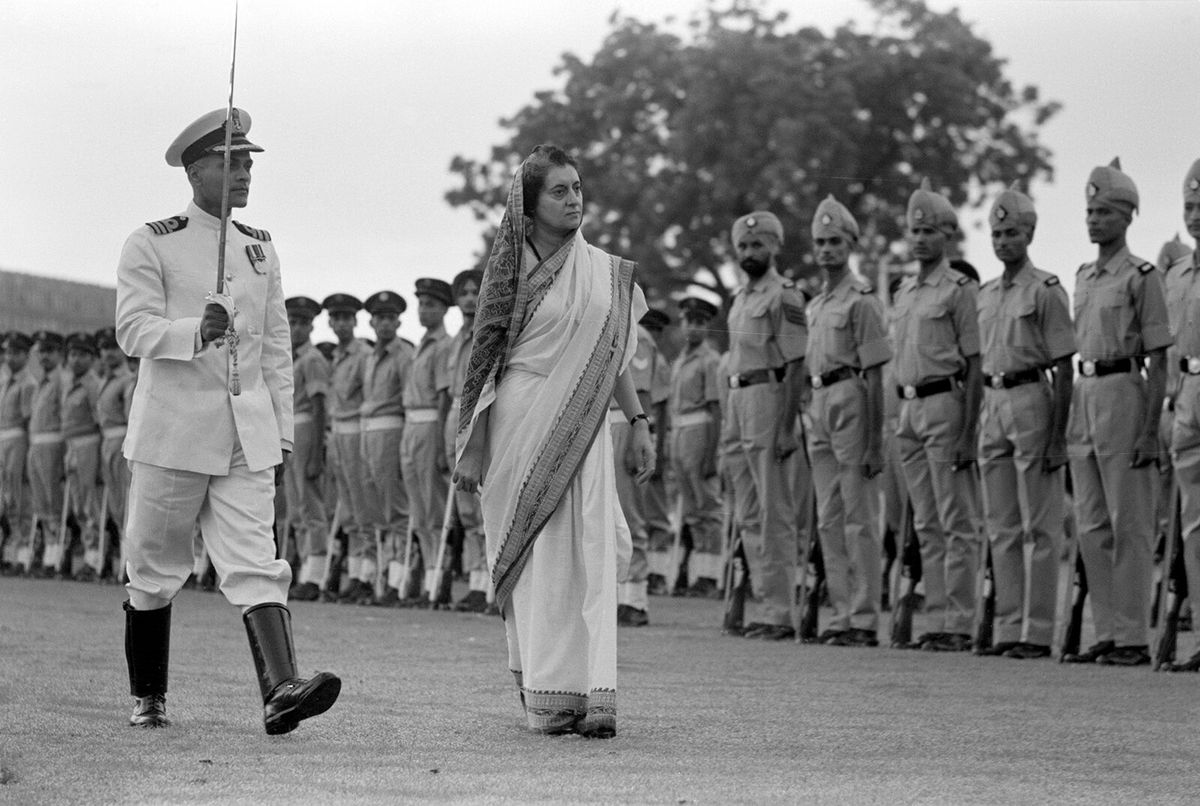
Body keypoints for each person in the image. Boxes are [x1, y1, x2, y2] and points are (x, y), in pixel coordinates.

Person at [115, 107, 339, 732]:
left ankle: (281, 690)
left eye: (247, 162)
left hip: (246, 429)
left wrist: (284, 429)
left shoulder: (259, 247)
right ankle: (149, 695)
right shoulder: (151, 241)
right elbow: (132, 329)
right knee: (154, 567)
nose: (244, 172)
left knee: (254, 559)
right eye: (231, 162)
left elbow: (275, 347)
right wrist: (194, 330)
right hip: (174, 430)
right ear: (195, 170)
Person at [453, 144, 653, 737]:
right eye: (559, 191)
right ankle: (546, 693)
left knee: (588, 552)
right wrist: (475, 446)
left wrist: (640, 424)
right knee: (533, 554)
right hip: (518, 419)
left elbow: (613, 357)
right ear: (530, 204)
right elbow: (483, 363)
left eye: (578, 188)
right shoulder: (507, 273)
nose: (574, 201)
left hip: (584, 424)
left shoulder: (605, 273)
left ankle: (593, 695)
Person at [1062, 158, 1172, 667]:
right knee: (1091, 524)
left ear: (1127, 217)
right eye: (1089, 211)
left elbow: (1158, 356)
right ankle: (1106, 630)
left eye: (1104, 212)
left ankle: (1132, 635)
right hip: (1086, 396)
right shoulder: (1083, 276)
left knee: (1129, 523)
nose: (1093, 221)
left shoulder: (1141, 276)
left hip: (1125, 392)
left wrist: (1151, 430)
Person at [974, 185, 1075, 660]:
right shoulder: (986, 294)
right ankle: (1007, 626)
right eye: (997, 233)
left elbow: (1064, 367)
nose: (1003, 241)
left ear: (1030, 233)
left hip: (1033, 397)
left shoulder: (1047, 289)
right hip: (992, 402)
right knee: (1002, 525)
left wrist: (1058, 437)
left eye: (1012, 232)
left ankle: (1035, 633)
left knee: (1040, 526)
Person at [890, 180, 982, 653]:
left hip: (946, 403)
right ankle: (938, 617)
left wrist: (969, 432)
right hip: (908, 409)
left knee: (955, 519)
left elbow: (976, 362)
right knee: (926, 521)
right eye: (914, 230)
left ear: (946, 235)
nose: (920, 238)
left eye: (930, 231)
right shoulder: (903, 292)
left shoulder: (960, 289)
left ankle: (960, 620)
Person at [803, 195, 892, 647]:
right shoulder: (816, 304)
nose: (826, 250)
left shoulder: (864, 301)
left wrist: (877, 442)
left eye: (835, 242)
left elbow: (877, 376)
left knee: (859, 515)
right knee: (828, 517)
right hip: (818, 401)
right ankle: (839, 614)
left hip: (852, 397)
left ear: (851, 245)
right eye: (820, 242)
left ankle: (864, 616)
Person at [722, 211, 807, 641]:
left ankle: (779, 611)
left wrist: (788, 427)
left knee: (775, 513)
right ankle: (764, 603)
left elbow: (796, 365)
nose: (749, 253)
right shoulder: (739, 299)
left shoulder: (785, 296)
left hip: (769, 401)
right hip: (738, 404)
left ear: (775, 247)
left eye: (758, 245)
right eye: (743, 246)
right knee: (749, 513)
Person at [1159, 161, 1200, 672]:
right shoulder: (1177, 276)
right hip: (1188, 394)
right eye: (1189, 207)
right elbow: (1169, 347)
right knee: (1193, 526)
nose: (1195, 215)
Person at [613, 309, 671, 626]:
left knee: (629, 512)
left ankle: (635, 598)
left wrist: (638, 434)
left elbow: (643, 392)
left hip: (623, 423)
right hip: (599, 426)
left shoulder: (638, 334)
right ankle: (618, 594)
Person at [360, 290, 415, 605]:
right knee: (375, 506)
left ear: (398, 321)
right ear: (372, 321)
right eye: (379, 318)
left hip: (392, 429)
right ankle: (382, 577)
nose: (384, 323)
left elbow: (408, 399)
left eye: (390, 318)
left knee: (396, 507)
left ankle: (399, 580)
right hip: (369, 432)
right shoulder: (370, 355)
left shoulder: (403, 354)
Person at [402, 277, 454, 606]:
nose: (424, 310)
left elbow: (443, 399)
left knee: (434, 508)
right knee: (418, 511)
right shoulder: (421, 343)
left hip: (430, 424)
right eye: (421, 304)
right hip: (410, 425)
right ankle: (424, 579)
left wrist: (438, 445)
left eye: (431, 304)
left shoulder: (444, 345)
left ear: (444, 309)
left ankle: (439, 577)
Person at [321, 292, 376, 604]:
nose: (341, 323)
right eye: (336, 318)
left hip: (356, 430)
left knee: (362, 505)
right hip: (337, 433)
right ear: (329, 322)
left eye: (346, 318)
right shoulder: (336, 357)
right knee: (347, 508)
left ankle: (365, 575)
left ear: (355, 321)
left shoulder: (363, 354)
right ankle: (353, 573)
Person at [668, 297, 723, 597]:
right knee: (690, 509)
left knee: (707, 508)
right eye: (689, 321)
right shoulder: (680, 360)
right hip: (679, 432)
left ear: (707, 326)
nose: (693, 327)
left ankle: (710, 576)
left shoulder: (710, 360)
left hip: (700, 430)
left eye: (700, 322)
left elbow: (716, 409)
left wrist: (712, 452)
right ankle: (696, 573)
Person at [444, 269, 491, 612]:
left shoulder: (488, 333)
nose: (469, 298)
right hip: (454, 416)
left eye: (476, 292)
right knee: (465, 510)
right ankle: (475, 581)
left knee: (483, 505)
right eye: (463, 293)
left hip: (478, 416)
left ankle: (488, 581)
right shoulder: (455, 339)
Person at [283, 295, 330, 602]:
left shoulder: (312, 359)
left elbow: (319, 404)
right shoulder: (290, 357)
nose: (296, 328)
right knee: (296, 507)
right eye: (291, 322)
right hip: (289, 429)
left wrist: (316, 452)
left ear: (312, 325)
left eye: (302, 323)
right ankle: (302, 571)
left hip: (305, 428)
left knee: (311, 506)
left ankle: (316, 575)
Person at [94, 326, 136, 581]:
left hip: (122, 441)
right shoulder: (105, 380)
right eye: (104, 348)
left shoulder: (127, 380)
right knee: (115, 505)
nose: (108, 354)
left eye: (113, 348)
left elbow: (132, 418)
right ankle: (119, 560)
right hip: (106, 442)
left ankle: (127, 565)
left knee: (126, 504)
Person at [60, 332, 102, 580]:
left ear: (92, 358)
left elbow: (101, 423)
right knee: (77, 504)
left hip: (88, 445)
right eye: (73, 354)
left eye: (83, 355)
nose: (76, 360)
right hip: (71, 447)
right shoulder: (69, 384)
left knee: (90, 503)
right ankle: (88, 551)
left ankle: (95, 556)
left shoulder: (93, 385)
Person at [26, 331, 66, 576]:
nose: (44, 356)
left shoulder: (62, 381)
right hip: (36, 445)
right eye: (40, 351)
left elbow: (66, 419)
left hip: (53, 445)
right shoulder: (41, 382)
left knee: (54, 503)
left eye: (49, 351)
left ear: (59, 353)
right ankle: (48, 551)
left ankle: (57, 555)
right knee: (41, 502)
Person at [0, 332, 36, 573]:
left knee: (19, 497)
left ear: (26, 355)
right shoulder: (4, 381)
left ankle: (22, 554)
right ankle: (9, 550)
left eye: (15, 353)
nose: (9, 357)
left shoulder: (28, 384)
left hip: (18, 440)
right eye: (6, 352)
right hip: (3, 439)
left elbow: (28, 421)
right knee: (5, 497)